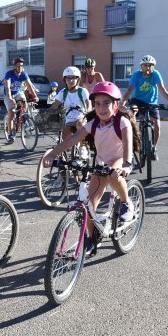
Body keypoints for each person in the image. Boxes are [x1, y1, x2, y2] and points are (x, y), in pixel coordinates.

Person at [43, 81, 136, 254]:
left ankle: (126, 202)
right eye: (97, 104)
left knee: (115, 176)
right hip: (100, 164)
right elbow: (72, 139)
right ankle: (93, 238)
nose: (101, 108)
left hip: (117, 160)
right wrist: (52, 154)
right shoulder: (93, 124)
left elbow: (128, 146)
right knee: (88, 207)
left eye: (106, 103)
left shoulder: (122, 122)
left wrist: (127, 165)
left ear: (116, 104)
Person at [121, 55, 168, 161]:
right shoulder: (136, 75)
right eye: (145, 65)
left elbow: (162, 89)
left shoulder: (155, 74)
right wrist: (122, 102)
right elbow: (129, 90)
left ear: (153, 67)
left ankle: (154, 148)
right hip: (137, 100)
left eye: (150, 65)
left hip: (151, 103)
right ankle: (132, 142)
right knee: (132, 113)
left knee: (157, 126)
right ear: (141, 66)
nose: (148, 68)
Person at [49, 66, 91, 141]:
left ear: (77, 79)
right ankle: (72, 149)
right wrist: (46, 114)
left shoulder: (82, 91)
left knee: (80, 125)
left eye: (73, 78)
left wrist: (88, 110)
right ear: (64, 79)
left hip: (81, 117)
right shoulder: (63, 92)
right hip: (68, 119)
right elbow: (55, 105)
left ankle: (82, 146)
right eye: (68, 78)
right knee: (63, 137)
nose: (71, 80)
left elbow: (88, 103)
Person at [3, 57, 38, 142]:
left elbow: (29, 85)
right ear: (14, 66)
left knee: (24, 100)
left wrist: (35, 96)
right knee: (11, 112)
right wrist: (11, 98)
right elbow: (7, 87)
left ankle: (23, 117)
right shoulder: (9, 73)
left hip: (18, 93)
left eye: (21, 66)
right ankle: (11, 133)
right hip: (9, 94)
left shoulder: (23, 73)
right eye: (18, 66)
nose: (20, 67)